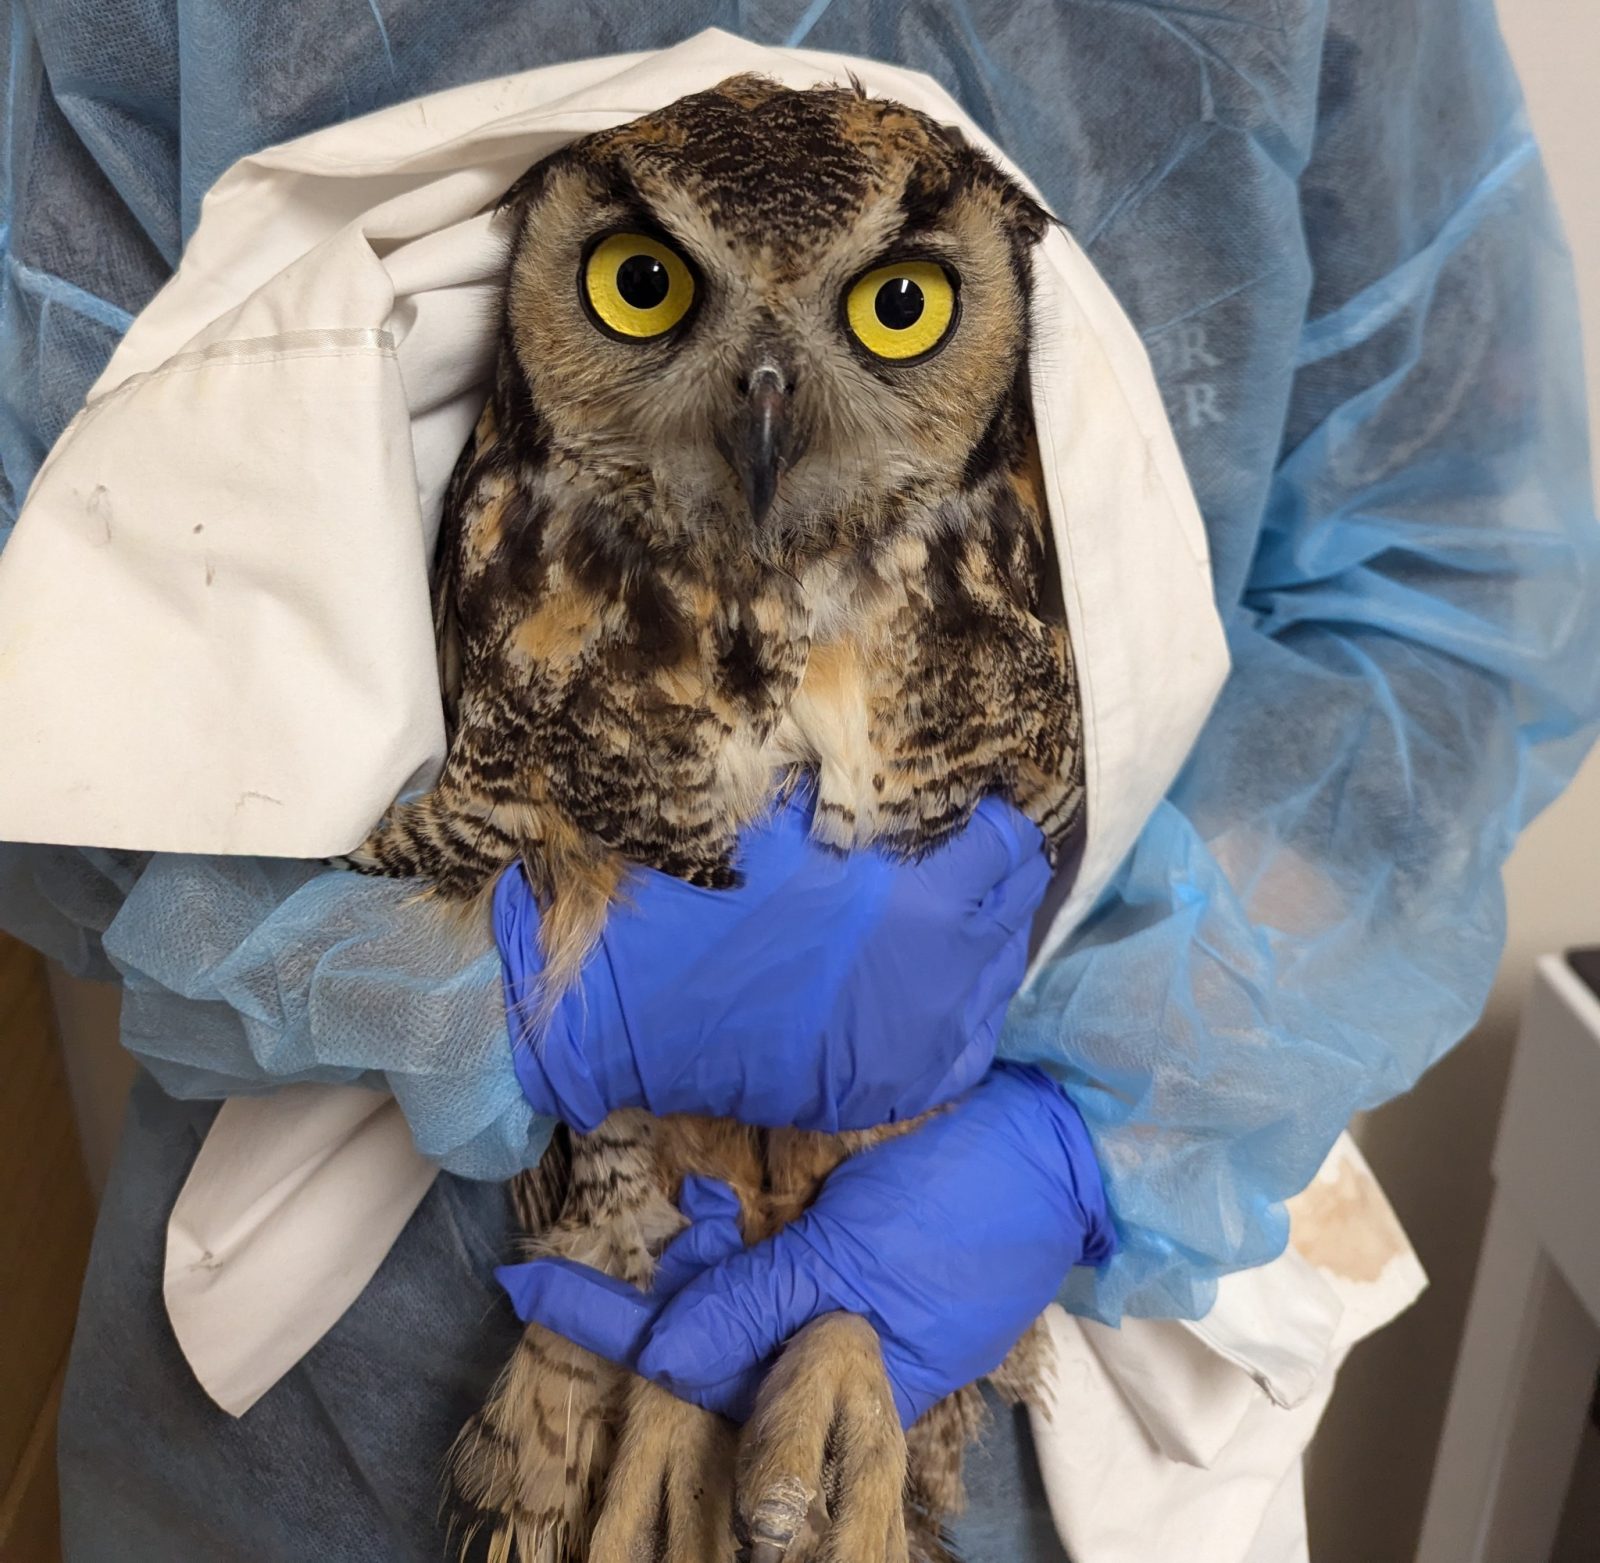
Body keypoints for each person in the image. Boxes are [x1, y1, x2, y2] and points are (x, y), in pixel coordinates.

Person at [1, 2, 1595, 1559]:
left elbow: (1454, 598)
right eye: (642, 288)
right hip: (345, 1377)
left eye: (899, 309)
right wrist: (436, 985)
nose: (764, 421)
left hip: (993, 1311)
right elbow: (49, 624)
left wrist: (1101, 1125)